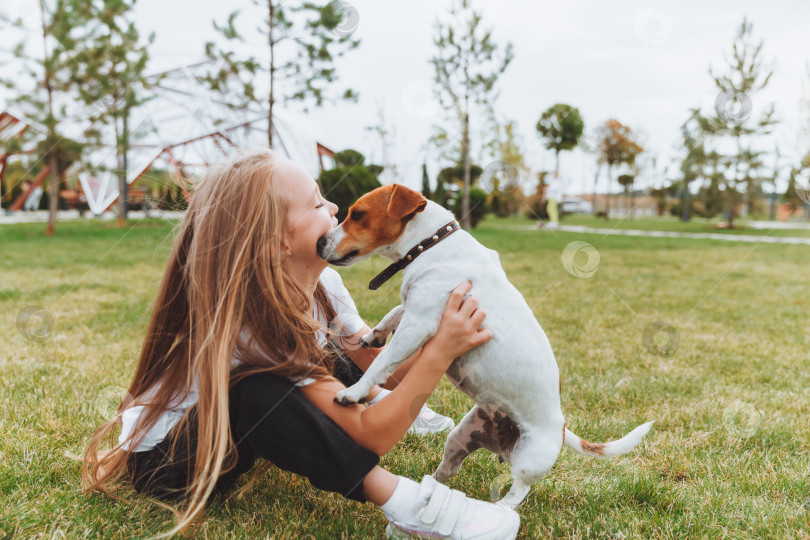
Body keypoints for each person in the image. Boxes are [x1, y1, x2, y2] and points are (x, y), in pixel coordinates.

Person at [82, 149, 521, 539]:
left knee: (344, 353)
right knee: (259, 393)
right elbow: (371, 437)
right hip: (173, 463)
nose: (332, 206)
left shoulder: (325, 283)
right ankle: (413, 506)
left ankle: (394, 406)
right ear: (276, 241)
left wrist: (440, 323)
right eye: (316, 202)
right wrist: (440, 351)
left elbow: (385, 361)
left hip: (231, 433)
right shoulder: (255, 326)